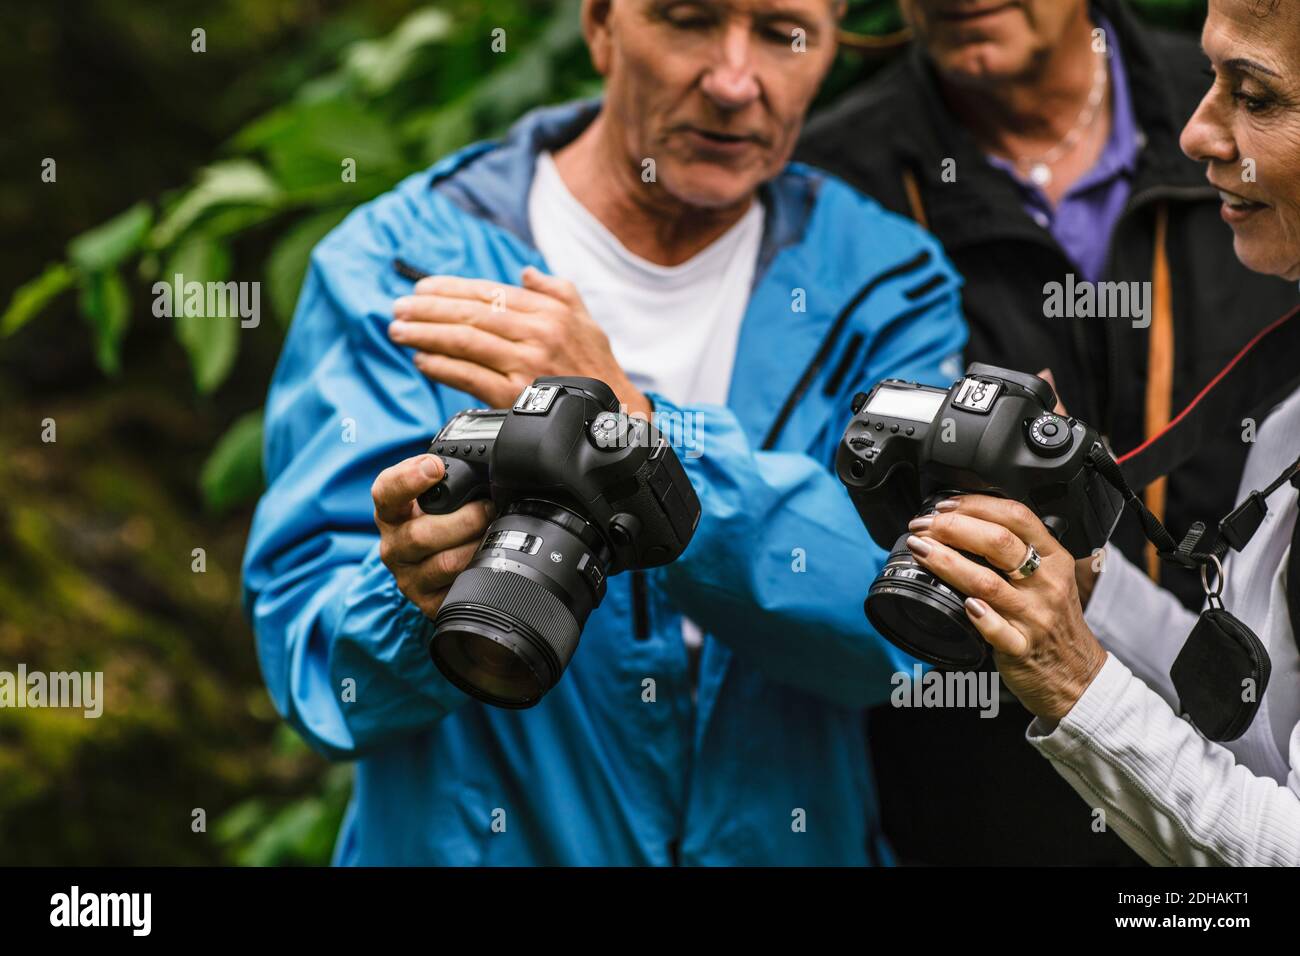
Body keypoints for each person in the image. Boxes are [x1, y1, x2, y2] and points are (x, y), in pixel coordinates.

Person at [241, 0, 966, 865]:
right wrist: (408, 595)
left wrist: (640, 435)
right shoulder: (399, 269)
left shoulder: (884, 282)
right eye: (689, 20)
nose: (735, 82)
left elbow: (892, 641)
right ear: (598, 26)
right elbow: (321, 681)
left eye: (782, 32)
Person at [796, 0, 1296, 864]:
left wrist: (1074, 683)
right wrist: (1084, 576)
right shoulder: (1285, 423)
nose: (1199, 133)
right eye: (1219, 87)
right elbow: (1260, 729)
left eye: (1255, 97)